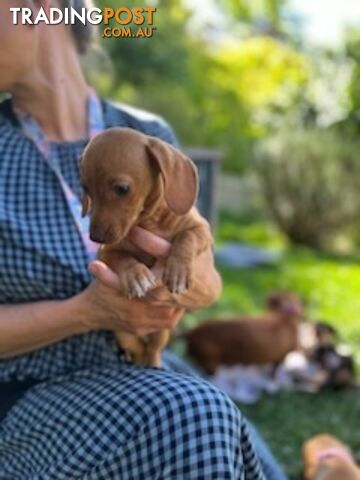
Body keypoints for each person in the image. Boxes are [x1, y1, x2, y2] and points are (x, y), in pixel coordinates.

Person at [0, 1, 286, 478]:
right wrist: (85, 312)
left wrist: (183, 279)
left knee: (213, 427)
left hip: (147, 368)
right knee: (192, 420)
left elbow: (208, 284)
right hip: (25, 395)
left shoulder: (150, 136)